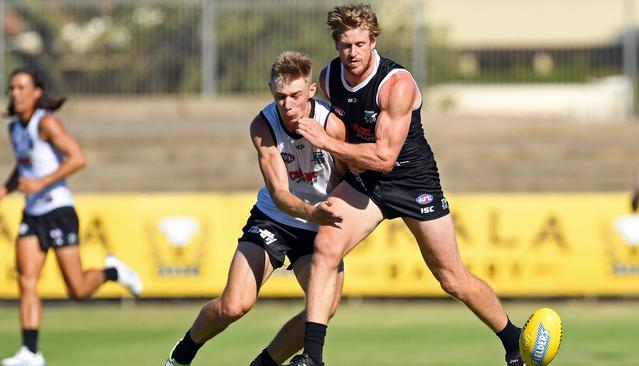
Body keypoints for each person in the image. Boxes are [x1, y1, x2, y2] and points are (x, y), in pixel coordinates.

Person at [288, 4, 525, 366]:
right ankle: (313, 357)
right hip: (365, 181)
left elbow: (384, 157)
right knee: (326, 244)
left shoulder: (396, 84)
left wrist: (325, 142)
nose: (353, 53)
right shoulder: (329, 77)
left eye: (360, 44)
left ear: (374, 41)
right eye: (345, 45)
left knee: (451, 278)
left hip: (413, 180)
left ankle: (512, 340)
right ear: (336, 43)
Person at [164, 51, 347, 366]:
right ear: (270, 91)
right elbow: (279, 193)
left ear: (312, 91)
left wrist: (332, 218)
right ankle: (181, 355)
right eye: (280, 96)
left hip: (320, 226)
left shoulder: (332, 125)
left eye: (295, 96)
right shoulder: (263, 125)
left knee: (323, 307)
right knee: (234, 305)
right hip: (275, 218)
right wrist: (310, 212)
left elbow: (347, 179)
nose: (287, 105)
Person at [0, 68, 142, 366]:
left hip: (58, 211)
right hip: (33, 213)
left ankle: (111, 272)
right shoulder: (15, 129)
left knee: (77, 289)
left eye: (21, 87)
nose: (15, 93)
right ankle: (31, 352)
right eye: (12, 88)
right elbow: (25, 168)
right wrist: (5, 189)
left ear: (37, 92)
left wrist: (40, 183)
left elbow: (77, 158)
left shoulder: (46, 122)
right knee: (26, 279)